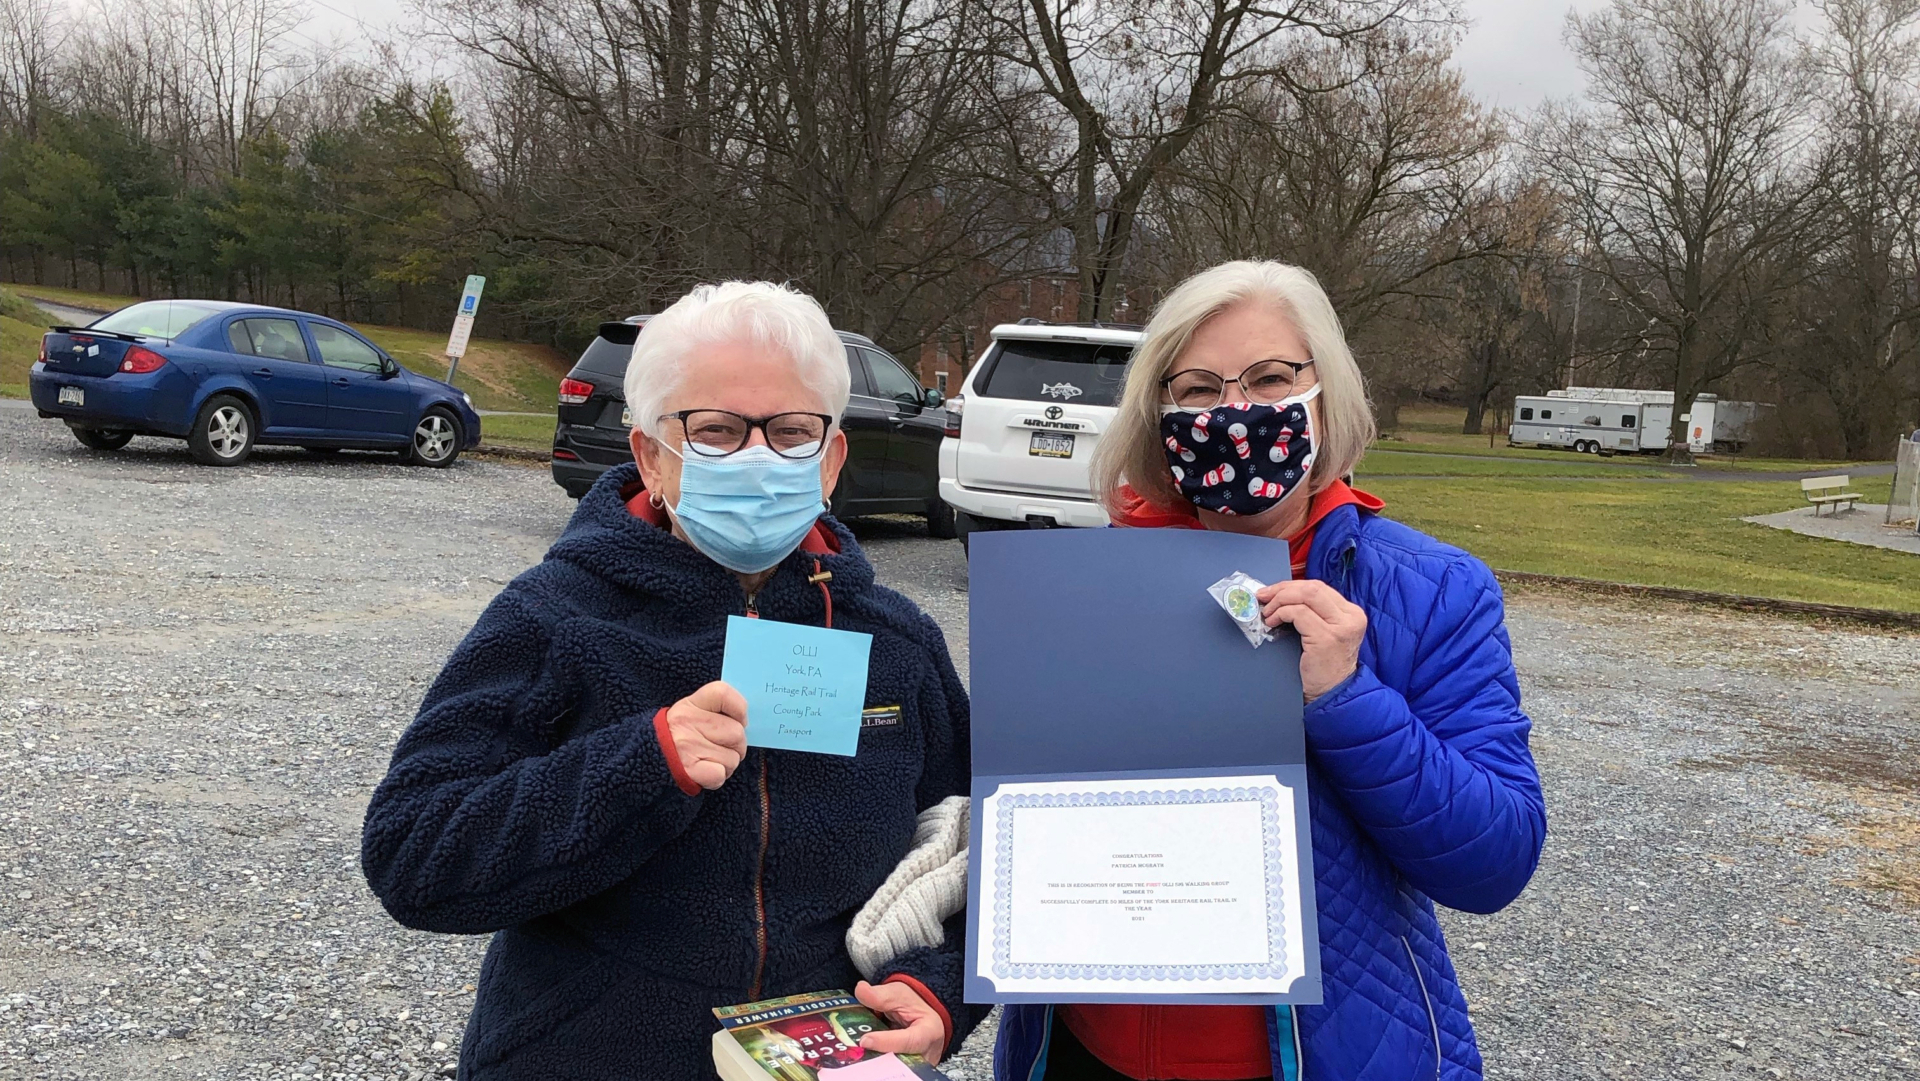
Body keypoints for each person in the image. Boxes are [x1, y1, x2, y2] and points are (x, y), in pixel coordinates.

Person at [361, 281, 978, 1078]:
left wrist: (939, 994)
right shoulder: (554, 619)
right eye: (716, 430)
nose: (758, 456)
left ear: (831, 458)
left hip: (830, 1060)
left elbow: (987, 860)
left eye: (791, 431)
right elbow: (414, 856)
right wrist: (642, 764)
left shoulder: (897, 640)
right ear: (652, 453)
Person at [994, 261, 1546, 1081]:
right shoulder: (1087, 582)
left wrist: (1349, 700)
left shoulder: (1434, 589)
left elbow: (1495, 857)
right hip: (1082, 1052)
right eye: (1201, 388)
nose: (1237, 410)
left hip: (1309, 1060)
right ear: (1160, 411)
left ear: (1323, 391)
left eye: (1271, 377)